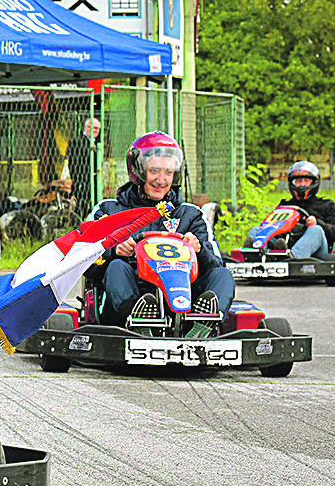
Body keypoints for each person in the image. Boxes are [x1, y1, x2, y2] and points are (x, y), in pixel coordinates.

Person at [89, 132, 234, 336]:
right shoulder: (109, 211)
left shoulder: (190, 215)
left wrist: (198, 251)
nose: (162, 180)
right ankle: (140, 325)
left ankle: (201, 326)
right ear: (137, 172)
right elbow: (83, 266)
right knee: (116, 267)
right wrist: (113, 251)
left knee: (223, 275)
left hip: (182, 297)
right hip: (132, 295)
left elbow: (215, 266)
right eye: (154, 171)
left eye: (168, 172)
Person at [280, 160, 335, 260]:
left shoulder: (326, 205)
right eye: (298, 181)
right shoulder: (285, 205)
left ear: (314, 183)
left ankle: (293, 258)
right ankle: (252, 255)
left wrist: (317, 223)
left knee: (316, 230)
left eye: (306, 181)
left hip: (317, 255)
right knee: (256, 230)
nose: (302, 185)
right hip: (287, 245)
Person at [67, 117, 101, 212]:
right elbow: (73, 163)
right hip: (82, 179)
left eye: (97, 128)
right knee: (82, 205)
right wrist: (78, 180)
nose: (94, 130)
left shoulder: (96, 142)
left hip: (92, 179)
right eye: (92, 127)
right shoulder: (78, 142)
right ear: (85, 127)